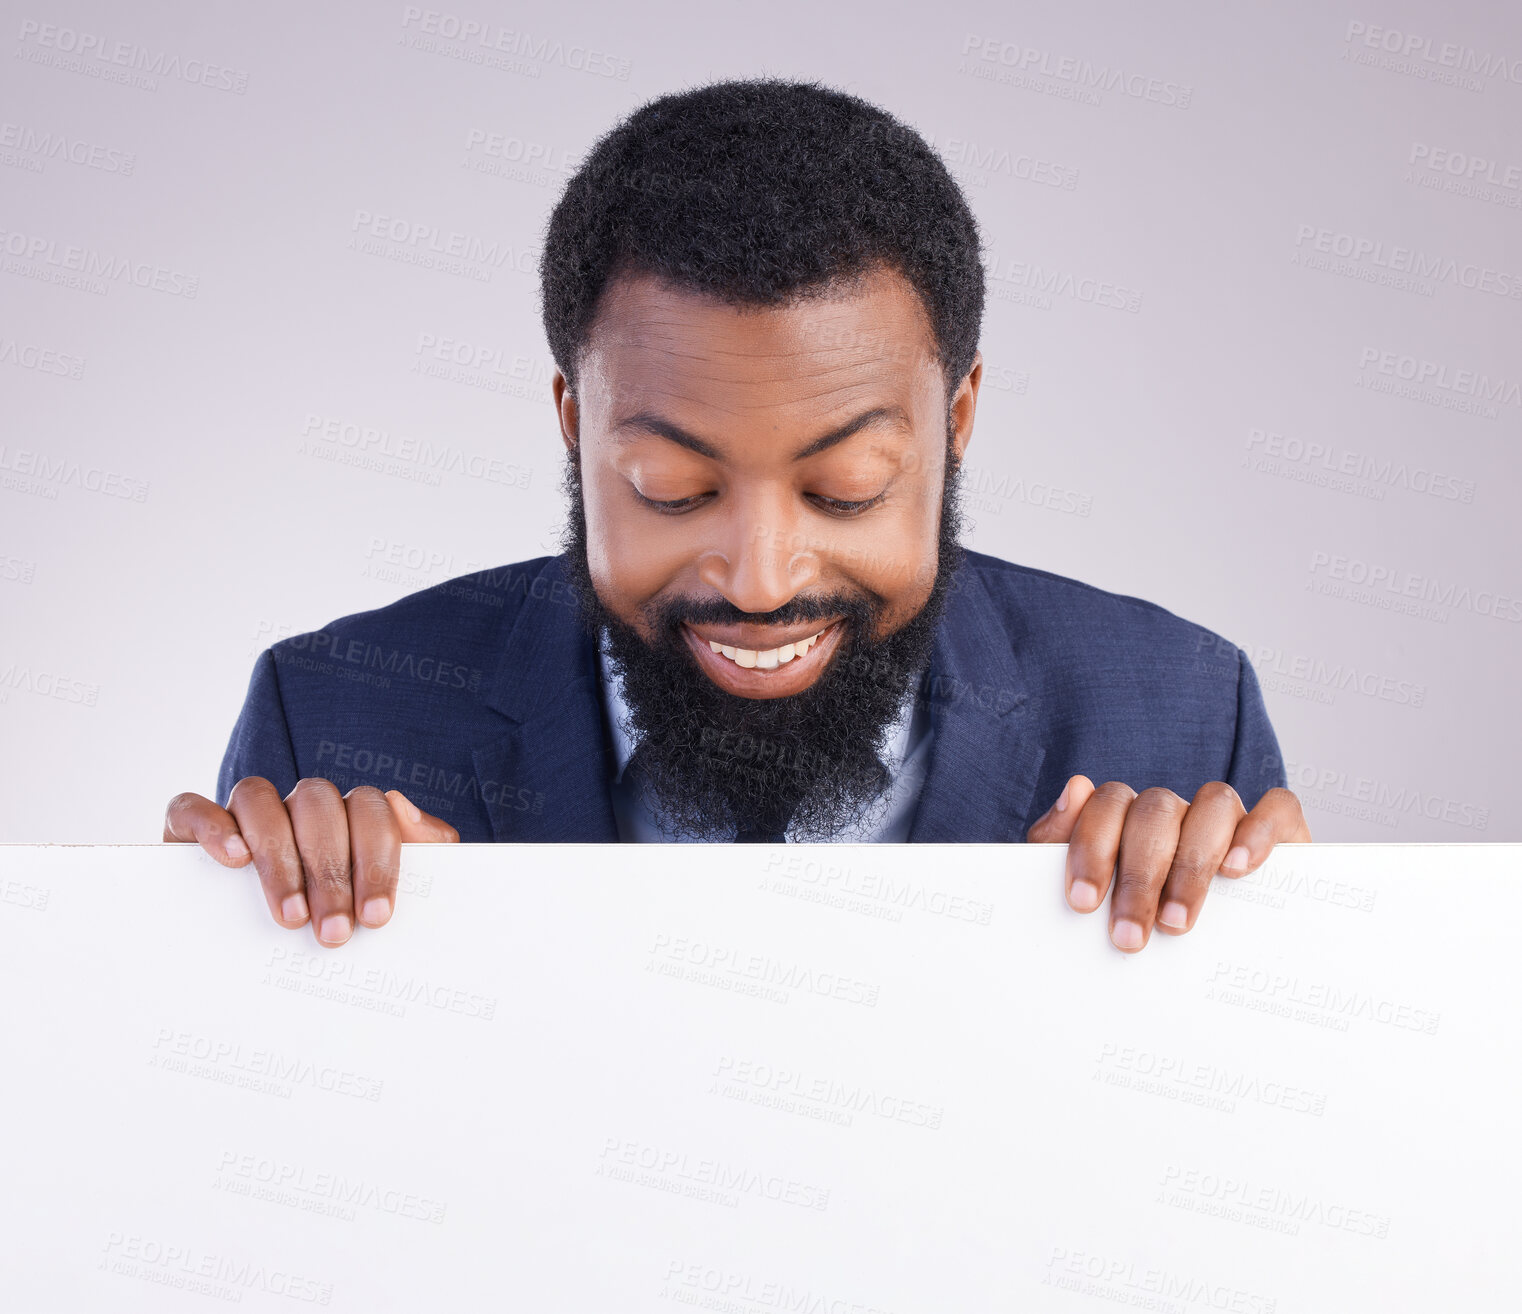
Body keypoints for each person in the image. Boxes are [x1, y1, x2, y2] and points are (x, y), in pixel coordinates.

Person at [163, 78, 1311, 953]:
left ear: (956, 417)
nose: (760, 581)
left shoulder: (1179, 713)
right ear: (574, 423)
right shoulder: (337, 712)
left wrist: (1278, 966)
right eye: (673, 488)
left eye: (846, 486)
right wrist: (223, 955)